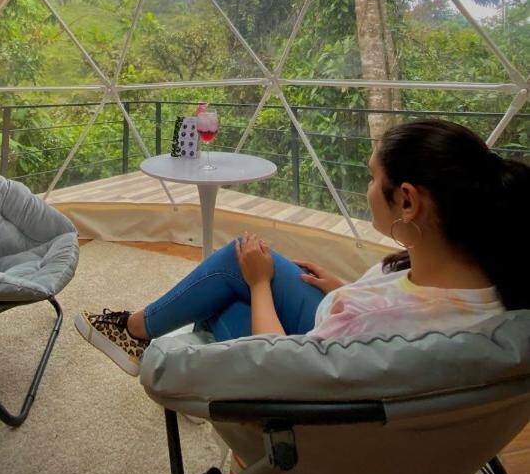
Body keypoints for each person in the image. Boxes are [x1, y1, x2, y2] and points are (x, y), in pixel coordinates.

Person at [75, 119, 529, 376]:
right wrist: (343, 288)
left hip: (306, 370)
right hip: (335, 323)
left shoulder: (373, 319)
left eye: (373, 177)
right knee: (240, 262)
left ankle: (136, 332)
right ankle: (143, 329)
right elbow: (399, 304)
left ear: (407, 201)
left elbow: (282, 367)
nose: (368, 188)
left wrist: (260, 285)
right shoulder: (495, 283)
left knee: (232, 287)